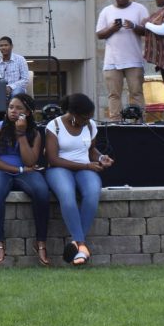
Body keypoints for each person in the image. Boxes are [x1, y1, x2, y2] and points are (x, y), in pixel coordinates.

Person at [0, 93, 50, 266]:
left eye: (19, 108)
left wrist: (21, 134)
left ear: (27, 113)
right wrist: (18, 169)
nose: (13, 111)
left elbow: (31, 161)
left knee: (42, 192)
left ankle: (40, 242)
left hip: (25, 171)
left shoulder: (34, 133)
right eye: (11, 107)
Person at [44, 93, 113, 266]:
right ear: (73, 113)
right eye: (84, 117)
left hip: (84, 167)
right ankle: (82, 245)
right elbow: (53, 159)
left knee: (92, 193)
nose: (88, 120)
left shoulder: (90, 126)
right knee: (67, 196)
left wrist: (101, 158)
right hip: (59, 169)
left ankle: (76, 244)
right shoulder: (55, 125)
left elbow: (91, 151)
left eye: (90, 117)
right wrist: (87, 166)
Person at [96, 0, 150, 121]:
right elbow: (99, 34)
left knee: (136, 93)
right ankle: (116, 123)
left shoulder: (139, 9)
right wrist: (112, 28)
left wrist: (133, 26)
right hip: (112, 61)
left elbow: (147, 31)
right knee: (114, 95)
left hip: (134, 60)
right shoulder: (107, 11)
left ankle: (139, 121)